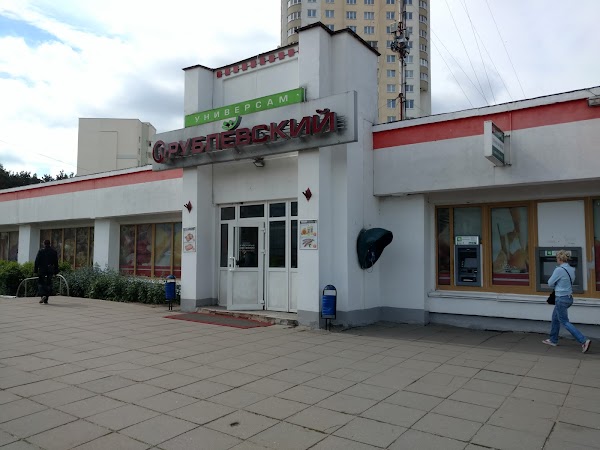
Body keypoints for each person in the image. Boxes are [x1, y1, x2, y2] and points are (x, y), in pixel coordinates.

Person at [542, 250, 591, 353]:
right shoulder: (571, 269)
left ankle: (583, 340)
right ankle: (553, 340)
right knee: (555, 318)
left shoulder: (559, 270)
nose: (556, 259)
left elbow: (550, 283)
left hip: (561, 299)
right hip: (568, 298)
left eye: (557, 258)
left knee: (564, 321)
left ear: (559, 259)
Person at [34, 240, 59, 304]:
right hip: (50, 270)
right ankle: (46, 299)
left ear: (44, 244)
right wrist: (56, 271)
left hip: (42, 270)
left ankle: (43, 295)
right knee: (48, 284)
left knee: (41, 283)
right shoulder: (54, 252)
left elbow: (37, 261)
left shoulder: (41, 251)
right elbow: (56, 262)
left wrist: (35, 270)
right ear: (49, 244)